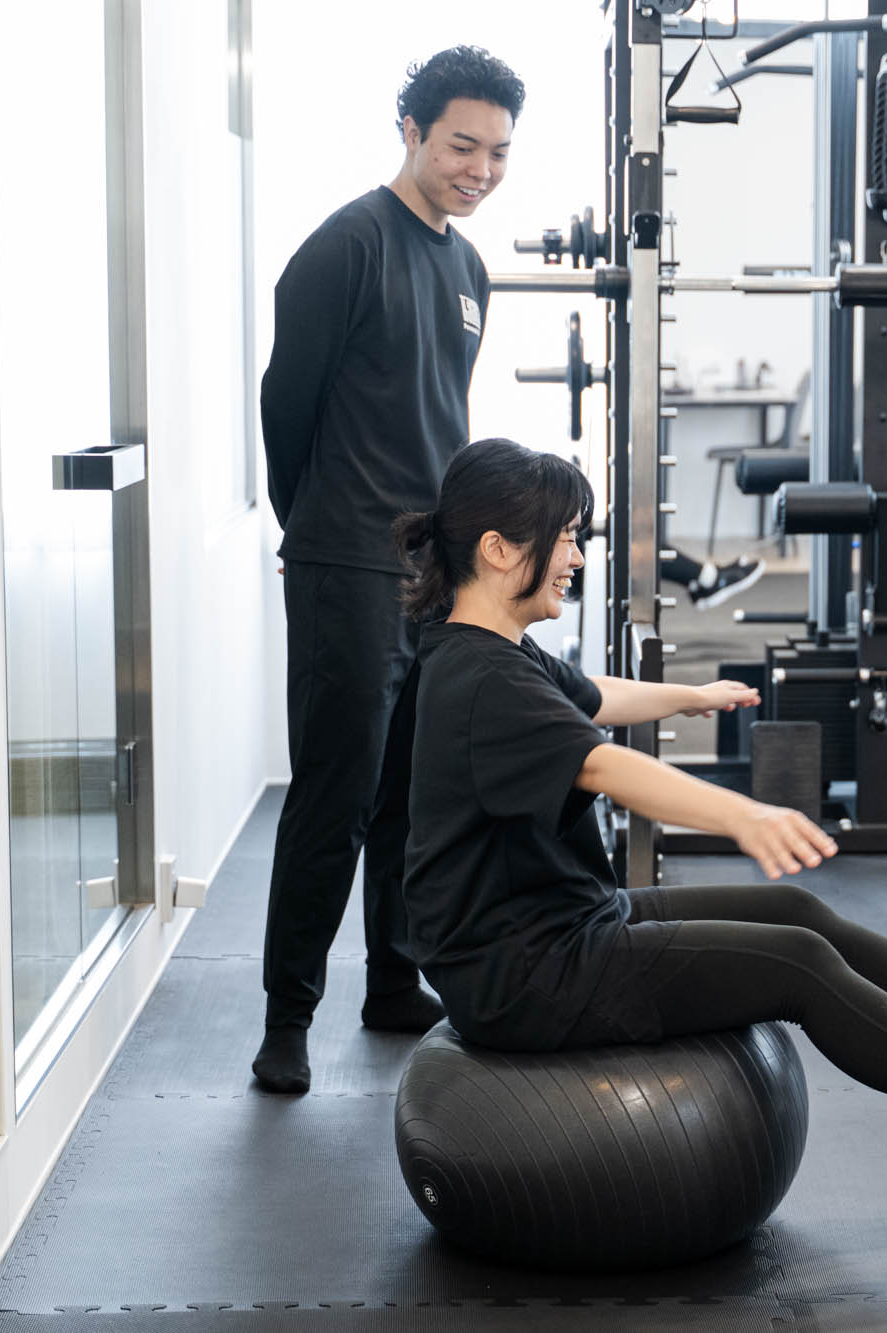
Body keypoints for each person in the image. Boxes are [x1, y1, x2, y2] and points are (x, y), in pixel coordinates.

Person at [391, 438, 887, 1187]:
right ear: (498, 548)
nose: (576, 557)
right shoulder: (485, 679)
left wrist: (690, 695)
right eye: (563, 538)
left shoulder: (491, 651)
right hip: (527, 975)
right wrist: (742, 816)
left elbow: (591, 695)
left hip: (559, 923)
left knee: (797, 912)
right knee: (799, 964)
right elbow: (602, 763)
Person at [254, 46, 523, 1094]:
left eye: (497, 153)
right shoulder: (345, 247)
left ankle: (392, 980)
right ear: (410, 132)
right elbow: (286, 409)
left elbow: (439, 414)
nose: (480, 170)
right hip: (346, 561)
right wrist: (319, 527)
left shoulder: (467, 269)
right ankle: (286, 1020)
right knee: (337, 793)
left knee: (413, 791)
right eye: (461, 146)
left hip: (429, 566)